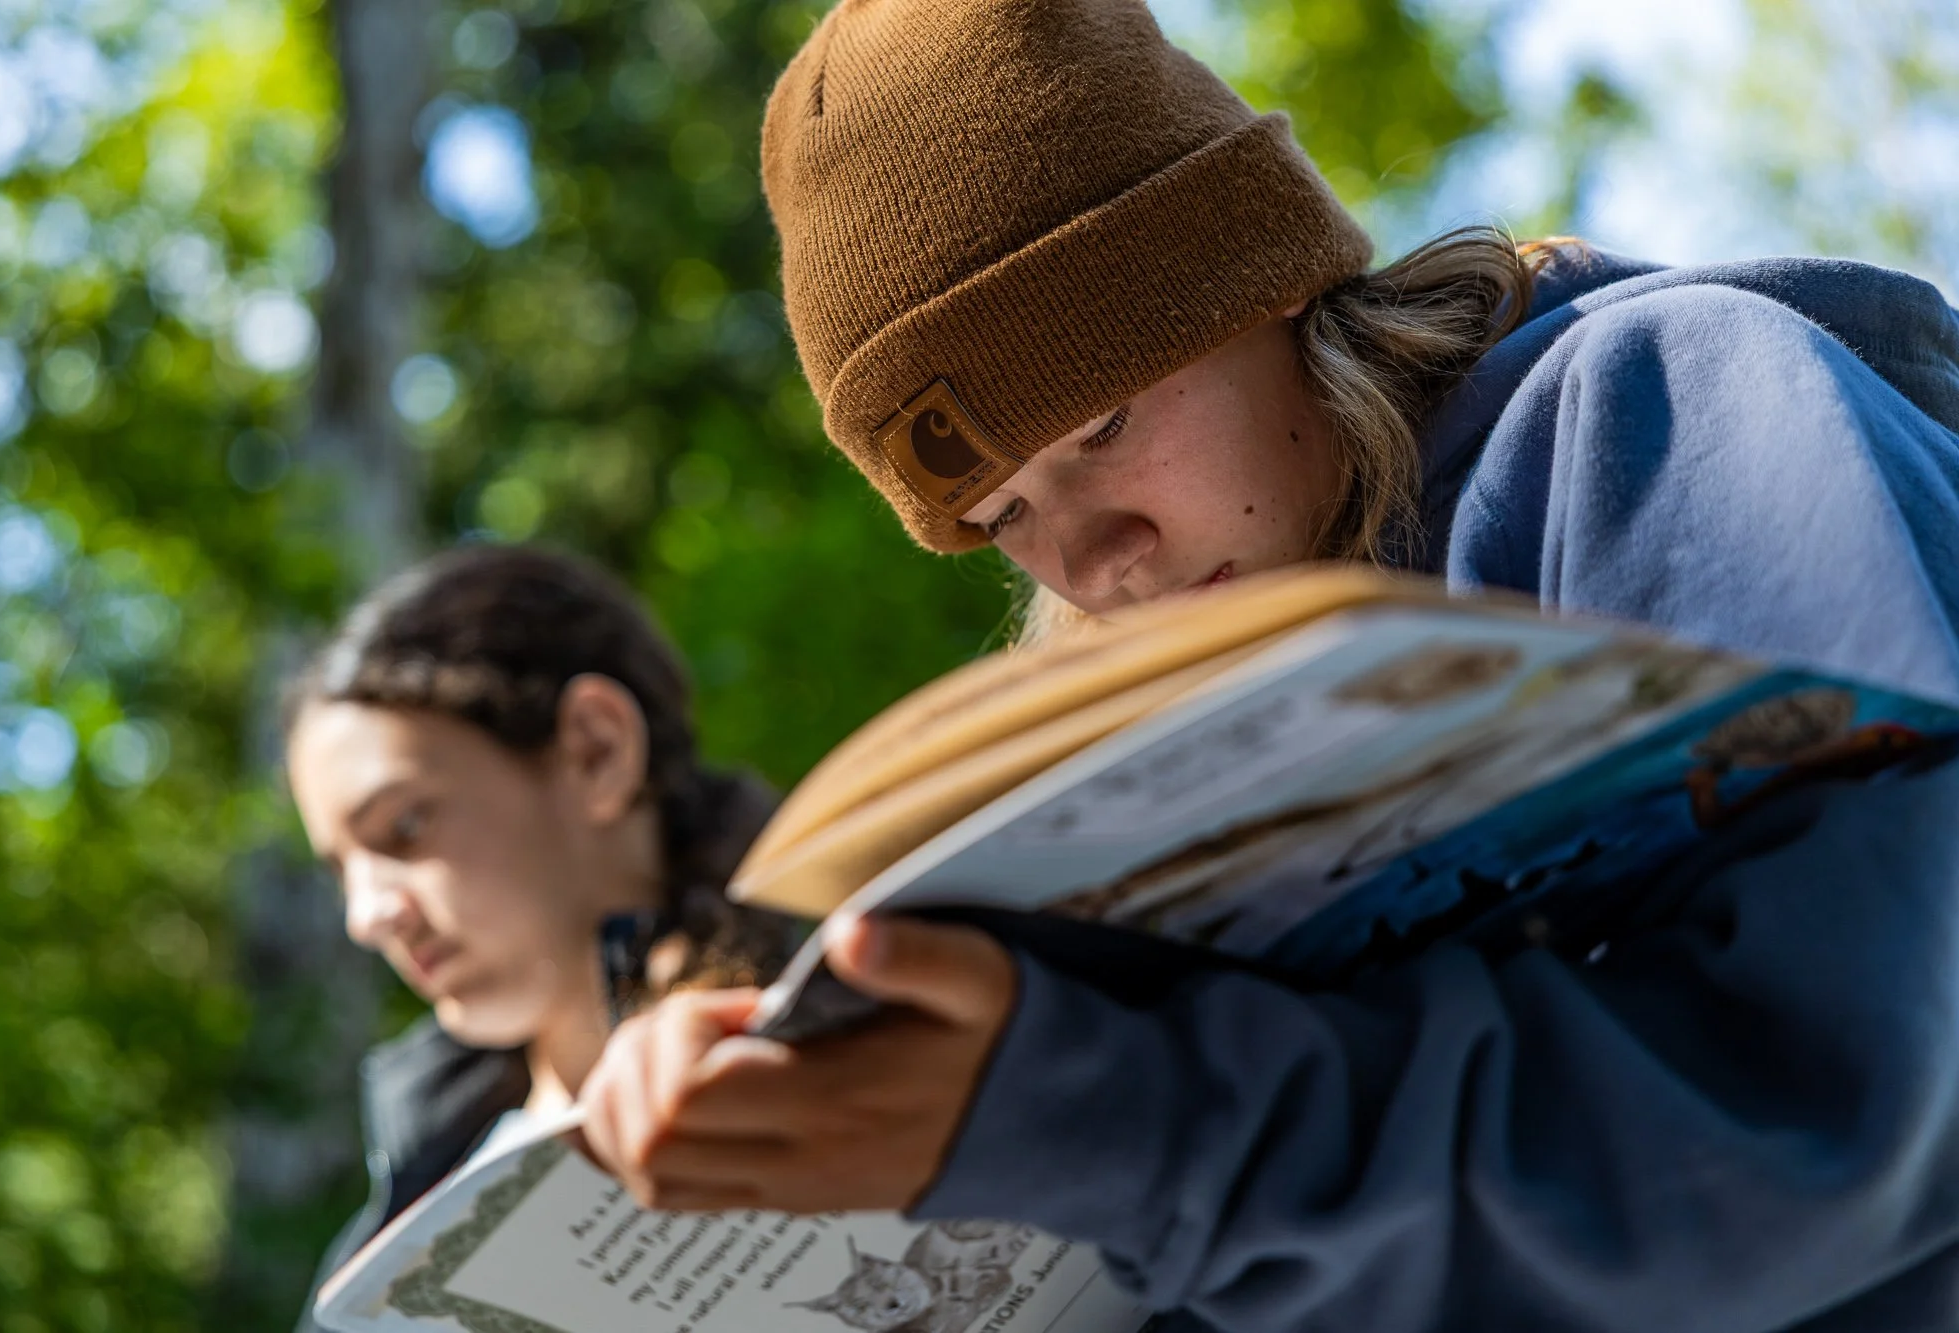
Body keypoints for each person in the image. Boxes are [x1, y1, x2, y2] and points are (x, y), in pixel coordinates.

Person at [574, 1, 1959, 1331]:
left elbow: (1861, 1101)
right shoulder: (1134, 790)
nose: (1095, 558)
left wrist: (1129, 1124)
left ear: (1264, 280)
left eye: (1104, 422)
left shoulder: (1661, 415)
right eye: (1003, 518)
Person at [282, 545, 797, 1332]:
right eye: (340, 869)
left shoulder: (889, 1045)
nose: (367, 914)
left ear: (597, 750)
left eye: (404, 826)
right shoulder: (387, 1268)